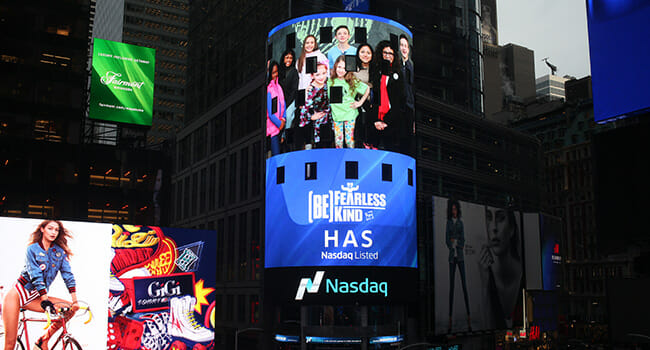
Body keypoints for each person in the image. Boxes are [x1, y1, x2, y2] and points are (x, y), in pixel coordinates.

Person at [2, 220, 78, 350]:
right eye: (50, 228)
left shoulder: (59, 252)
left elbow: (68, 275)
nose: (53, 232)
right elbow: (35, 275)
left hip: (36, 297)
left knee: (70, 309)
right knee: (10, 344)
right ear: (42, 229)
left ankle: (43, 340)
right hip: (18, 294)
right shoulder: (32, 249)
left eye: (56, 230)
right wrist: (44, 299)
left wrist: (75, 301)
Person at [479, 204, 523, 330]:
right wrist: (484, 284)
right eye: (489, 218)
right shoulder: (485, 272)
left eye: (500, 218)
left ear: (511, 229)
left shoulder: (526, 275)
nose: (493, 228)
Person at [367, 40, 404, 151]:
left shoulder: (398, 74)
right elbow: (373, 98)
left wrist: (386, 121)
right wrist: (376, 120)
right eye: (385, 53)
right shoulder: (375, 72)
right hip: (375, 119)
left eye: (390, 53)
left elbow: (400, 100)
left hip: (391, 121)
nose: (387, 56)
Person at [329, 55, 370, 149]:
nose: (341, 70)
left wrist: (360, 103)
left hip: (349, 115)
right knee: (338, 142)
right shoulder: (330, 81)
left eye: (344, 68)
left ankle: (350, 159)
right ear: (335, 66)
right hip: (337, 116)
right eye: (339, 67)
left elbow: (367, 88)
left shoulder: (352, 80)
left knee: (349, 141)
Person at [445, 199, 471, 333]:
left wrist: (457, 243)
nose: (454, 211)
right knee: (452, 287)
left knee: (464, 285)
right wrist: (451, 245)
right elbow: (446, 239)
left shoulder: (460, 223)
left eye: (455, 209)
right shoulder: (449, 223)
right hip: (452, 257)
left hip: (459, 256)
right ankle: (449, 319)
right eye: (452, 209)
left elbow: (463, 238)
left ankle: (469, 317)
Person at [298, 61, 332, 149]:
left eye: (324, 73)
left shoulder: (329, 83)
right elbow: (304, 109)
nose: (321, 77)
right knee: (320, 146)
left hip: (330, 119)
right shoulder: (310, 89)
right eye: (317, 74)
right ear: (312, 76)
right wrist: (311, 117)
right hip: (317, 123)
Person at [353, 43, 375, 147]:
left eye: (368, 52)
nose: (365, 55)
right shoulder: (353, 68)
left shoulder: (375, 69)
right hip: (356, 101)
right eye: (362, 52)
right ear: (358, 53)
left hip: (372, 101)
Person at [267, 61, 286, 156]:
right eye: (273, 72)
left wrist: (283, 119)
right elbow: (269, 113)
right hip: (273, 128)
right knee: (276, 156)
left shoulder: (279, 87)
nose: (276, 74)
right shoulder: (268, 89)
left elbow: (284, 104)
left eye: (277, 71)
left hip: (281, 125)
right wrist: (279, 124)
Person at [278, 49, 299, 133]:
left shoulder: (294, 71)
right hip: (280, 101)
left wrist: (287, 103)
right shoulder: (279, 72)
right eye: (287, 58)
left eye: (290, 58)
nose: (289, 60)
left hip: (291, 100)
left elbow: (294, 89)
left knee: (288, 117)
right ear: (283, 59)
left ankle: (286, 138)